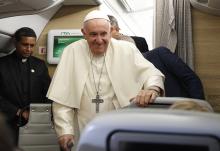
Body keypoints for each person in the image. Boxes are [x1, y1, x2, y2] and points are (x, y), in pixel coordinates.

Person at [47, 10, 165, 151]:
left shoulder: (127, 49)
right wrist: (65, 131)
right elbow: (62, 98)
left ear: (111, 31)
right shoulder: (71, 52)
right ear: (83, 33)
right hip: (82, 125)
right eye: (93, 34)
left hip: (120, 124)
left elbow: (152, 73)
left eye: (103, 34)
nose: (99, 40)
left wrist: (152, 88)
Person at [0, 27, 51, 146]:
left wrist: (40, 113)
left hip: (35, 122)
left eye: (32, 45)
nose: (29, 49)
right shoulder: (2, 65)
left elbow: (48, 93)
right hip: (8, 122)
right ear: (15, 43)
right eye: (25, 44)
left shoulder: (40, 65)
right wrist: (18, 111)